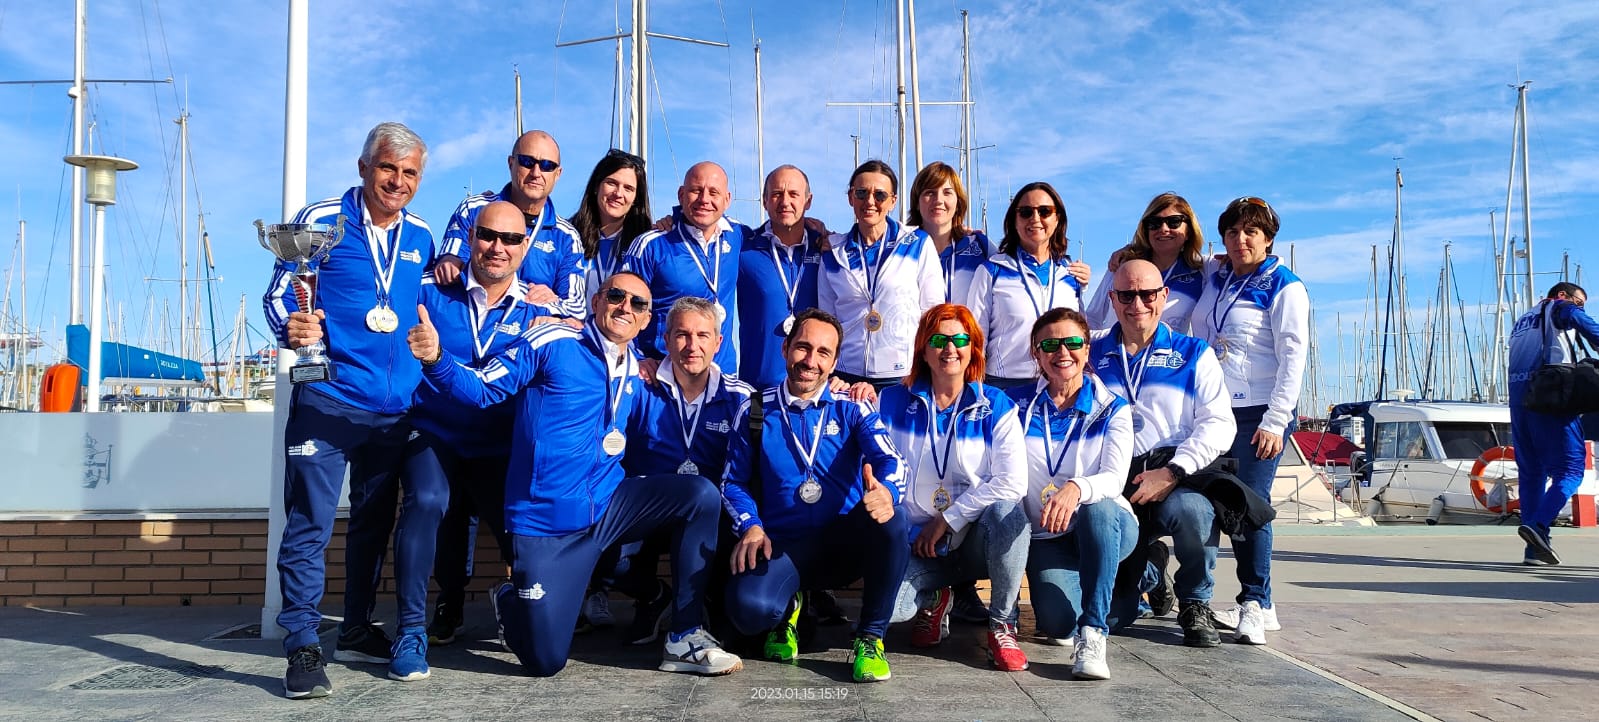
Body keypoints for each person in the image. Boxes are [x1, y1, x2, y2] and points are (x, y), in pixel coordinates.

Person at [405, 272, 742, 678]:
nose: (626, 307)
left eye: (638, 303)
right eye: (616, 296)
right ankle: (511, 598)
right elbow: (480, 390)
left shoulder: (637, 367)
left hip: (608, 505)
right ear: (596, 302)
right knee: (545, 661)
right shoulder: (552, 341)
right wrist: (437, 359)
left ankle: (684, 635)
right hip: (547, 524)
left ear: (645, 320)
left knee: (699, 495)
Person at [263, 122, 435, 699]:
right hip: (329, 400)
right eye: (388, 168)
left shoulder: (421, 234)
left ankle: (357, 626)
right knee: (310, 523)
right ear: (364, 167)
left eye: (410, 173)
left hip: (394, 411)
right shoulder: (320, 221)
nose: (398, 181)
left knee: (372, 523)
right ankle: (302, 645)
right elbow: (278, 293)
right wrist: (291, 327)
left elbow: (423, 302)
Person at [721, 308, 909, 683]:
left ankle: (871, 637)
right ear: (785, 349)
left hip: (843, 544)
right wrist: (751, 526)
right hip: (783, 547)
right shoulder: (755, 409)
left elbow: (892, 460)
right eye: (803, 347)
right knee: (749, 612)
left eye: (823, 352)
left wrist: (887, 491)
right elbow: (732, 482)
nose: (810, 361)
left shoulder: (852, 405)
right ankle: (789, 608)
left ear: (835, 362)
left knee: (893, 518)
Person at [403, 202, 543, 678]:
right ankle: (411, 630)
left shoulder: (540, 311)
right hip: (436, 431)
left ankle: (522, 606)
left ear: (525, 247)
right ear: (469, 238)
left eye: (511, 239)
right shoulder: (429, 290)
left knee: (522, 540)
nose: (497, 247)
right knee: (428, 501)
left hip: (499, 444)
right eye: (487, 235)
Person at [593, 296, 755, 643]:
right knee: (603, 558)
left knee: (739, 618)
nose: (692, 346)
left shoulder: (741, 398)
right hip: (648, 511)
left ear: (718, 342)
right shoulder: (639, 386)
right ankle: (655, 597)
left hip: (712, 520)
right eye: (682, 335)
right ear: (666, 340)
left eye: (702, 335)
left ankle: (705, 604)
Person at [880, 304, 1031, 671]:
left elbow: (1013, 481)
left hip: (975, 539)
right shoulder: (891, 401)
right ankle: (935, 598)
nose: (950, 348)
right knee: (890, 611)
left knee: (1009, 513)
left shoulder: (996, 404)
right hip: (919, 543)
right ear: (923, 349)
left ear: (973, 348)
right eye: (938, 340)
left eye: (960, 339)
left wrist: (949, 518)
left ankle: (1002, 624)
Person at [1091, 260, 1235, 648]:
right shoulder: (1090, 352)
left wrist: (1173, 471)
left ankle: (1195, 601)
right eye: (1126, 295)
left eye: (1147, 294)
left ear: (1164, 296)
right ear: (1112, 299)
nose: (1137, 304)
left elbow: (1219, 424)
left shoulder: (1194, 353)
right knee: (1112, 619)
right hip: (1115, 482)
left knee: (1194, 512)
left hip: (1171, 475)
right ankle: (1152, 571)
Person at [1188, 196, 1308, 645]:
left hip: (1258, 412)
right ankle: (1261, 603)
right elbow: (1177, 257)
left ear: (1268, 239)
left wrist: (1276, 420)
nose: (1240, 240)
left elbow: (1293, 355)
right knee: (1213, 504)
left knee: (1249, 506)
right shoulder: (1217, 275)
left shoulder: (1284, 286)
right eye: (1233, 232)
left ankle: (1253, 603)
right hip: (1213, 408)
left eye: (1251, 232)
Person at [1007, 307, 1136, 680]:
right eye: (1050, 345)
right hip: (1048, 535)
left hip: (1106, 523)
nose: (1062, 352)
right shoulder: (1015, 405)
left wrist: (1077, 487)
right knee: (1058, 625)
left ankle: (1094, 632)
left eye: (1073, 342)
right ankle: (1132, 583)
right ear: (1036, 353)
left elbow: (1114, 478)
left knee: (1098, 508)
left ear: (1087, 348)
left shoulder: (1112, 408)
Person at [434, 130, 585, 319]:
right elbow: (450, 266)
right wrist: (449, 262)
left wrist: (554, 302)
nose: (536, 173)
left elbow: (576, 311)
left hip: (528, 333)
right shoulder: (473, 209)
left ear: (558, 174)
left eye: (547, 166)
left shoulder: (567, 237)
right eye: (527, 162)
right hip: (471, 322)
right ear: (511, 163)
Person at [818, 160, 942, 386]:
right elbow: (827, 319)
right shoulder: (833, 252)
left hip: (902, 374)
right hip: (846, 375)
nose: (870, 201)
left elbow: (932, 313)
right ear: (851, 197)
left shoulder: (917, 243)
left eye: (880, 195)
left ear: (893, 201)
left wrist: (928, 370)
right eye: (861, 193)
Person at [1507, 282, 1599, 565]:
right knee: (1570, 470)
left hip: (1519, 402)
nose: (1579, 308)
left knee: (1531, 474)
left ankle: (1534, 549)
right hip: (1550, 396)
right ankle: (1539, 525)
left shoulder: (1523, 321)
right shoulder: (1559, 307)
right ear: (1562, 295)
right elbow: (1590, 328)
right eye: (1579, 302)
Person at [967, 182, 1091, 389]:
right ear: (1014, 221)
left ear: (1057, 218)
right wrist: (975, 389)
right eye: (1025, 212)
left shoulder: (1070, 274)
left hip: (1059, 384)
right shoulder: (992, 271)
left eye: (1044, 211)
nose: (1035, 218)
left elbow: (1081, 332)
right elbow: (975, 337)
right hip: (1006, 385)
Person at [622, 161, 745, 370]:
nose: (704, 199)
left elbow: (779, 234)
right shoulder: (651, 245)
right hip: (664, 373)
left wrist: (807, 226)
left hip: (721, 375)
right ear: (681, 195)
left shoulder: (739, 236)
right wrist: (636, 358)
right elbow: (622, 305)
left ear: (727, 199)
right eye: (696, 190)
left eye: (713, 192)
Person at [738, 164, 826, 391]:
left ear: (808, 201)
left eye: (794, 194)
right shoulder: (743, 248)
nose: (785, 201)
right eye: (777, 194)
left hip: (813, 387)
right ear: (765, 201)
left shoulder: (827, 248)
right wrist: (673, 220)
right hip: (757, 388)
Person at [1085, 192, 1206, 333]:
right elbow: (1092, 317)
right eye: (1154, 223)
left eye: (1174, 222)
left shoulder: (1202, 271)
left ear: (1189, 231)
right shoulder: (1123, 264)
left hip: (1169, 347)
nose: (1163, 229)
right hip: (1115, 347)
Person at [571, 148, 652, 299]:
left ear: (636, 198)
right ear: (596, 186)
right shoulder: (567, 235)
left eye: (628, 188)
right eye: (611, 183)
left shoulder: (645, 245)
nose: (618, 194)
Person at [906, 161, 991, 304]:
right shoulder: (902, 249)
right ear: (917, 203)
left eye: (947, 193)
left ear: (958, 203)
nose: (938, 200)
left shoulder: (980, 247)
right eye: (930, 192)